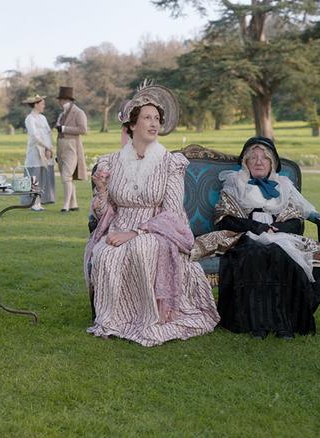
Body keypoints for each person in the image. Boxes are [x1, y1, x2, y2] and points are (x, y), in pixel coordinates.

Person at [84, 81, 219, 347]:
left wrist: (134, 232)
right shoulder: (112, 162)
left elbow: (172, 212)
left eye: (157, 118)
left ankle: (151, 318)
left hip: (159, 229)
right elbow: (103, 213)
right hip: (119, 225)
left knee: (142, 248)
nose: (154, 123)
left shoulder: (170, 163)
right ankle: (116, 319)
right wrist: (101, 190)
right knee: (106, 253)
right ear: (133, 124)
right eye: (147, 117)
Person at [192, 137, 320, 339]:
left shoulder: (284, 186)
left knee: (280, 255)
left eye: (264, 158)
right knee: (253, 254)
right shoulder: (235, 183)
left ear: (272, 163)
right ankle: (257, 324)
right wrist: (255, 227)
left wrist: (278, 228)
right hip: (244, 235)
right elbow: (224, 219)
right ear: (246, 162)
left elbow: (296, 220)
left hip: (279, 236)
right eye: (253, 158)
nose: (259, 162)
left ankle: (284, 324)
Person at [53, 86, 87, 212]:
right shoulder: (62, 114)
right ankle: (74, 204)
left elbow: (83, 129)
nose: (59, 102)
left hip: (72, 146)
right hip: (61, 146)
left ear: (66, 99)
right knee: (68, 177)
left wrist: (64, 129)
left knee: (66, 176)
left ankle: (65, 205)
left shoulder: (79, 112)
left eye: (61, 100)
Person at [21, 93, 55, 210]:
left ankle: (40, 201)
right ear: (36, 104)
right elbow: (34, 136)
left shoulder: (43, 118)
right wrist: (45, 146)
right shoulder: (30, 118)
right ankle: (33, 202)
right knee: (34, 176)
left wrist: (49, 148)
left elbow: (48, 133)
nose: (43, 106)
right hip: (35, 150)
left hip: (45, 151)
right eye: (42, 104)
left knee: (42, 175)